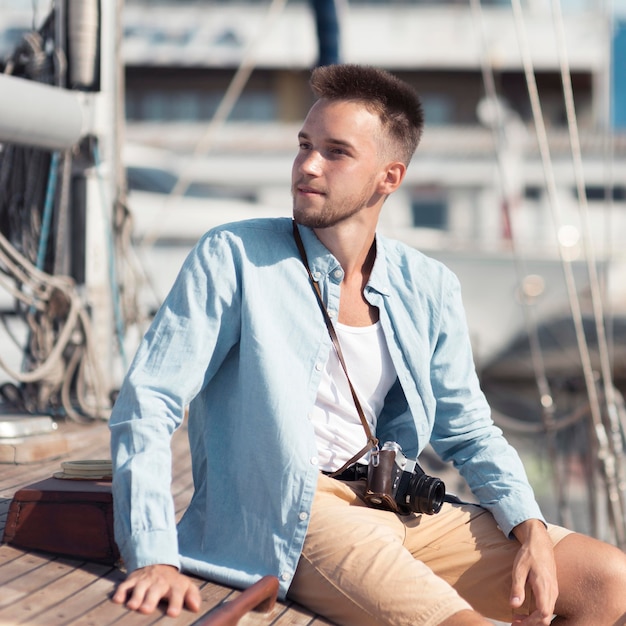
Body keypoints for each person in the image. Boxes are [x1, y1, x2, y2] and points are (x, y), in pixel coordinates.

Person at [109, 64, 626, 626]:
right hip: (292, 517)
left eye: (335, 152)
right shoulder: (233, 256)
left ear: (389, 176)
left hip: (397, 506)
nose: (306, 164)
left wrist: (531, 529)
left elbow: (471, 431)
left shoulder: (428, 286)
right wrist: (154, 552)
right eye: (304, 144)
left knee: (608, 582)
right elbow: (149, 401)